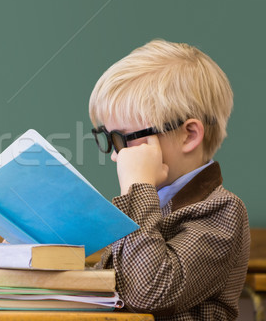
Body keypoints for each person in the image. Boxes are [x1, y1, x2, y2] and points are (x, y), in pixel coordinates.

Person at [88, 39, 250, 320]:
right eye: (110, 139)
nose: (117, 156)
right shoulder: (151, 205)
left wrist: (138, 186)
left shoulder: (223, 211)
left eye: (125, 139)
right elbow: (111, 290)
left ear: (189, 135)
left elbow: (149, 293)